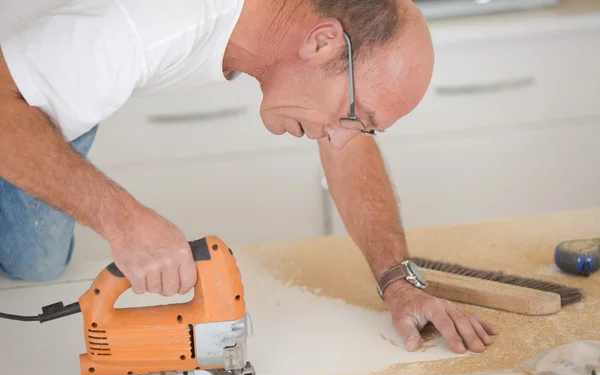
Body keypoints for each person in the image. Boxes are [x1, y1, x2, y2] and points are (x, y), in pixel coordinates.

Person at [0, 0, 498, 354]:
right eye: (355, 115)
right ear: (323, 42)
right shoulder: (151, 22)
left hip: (52, 65)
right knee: (36, 262)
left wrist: (398, 281)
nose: (345, 138)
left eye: (364, 126)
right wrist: (125, 222)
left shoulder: (306, 29)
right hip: (13, 90)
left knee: (34, 265)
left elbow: (345, 144)